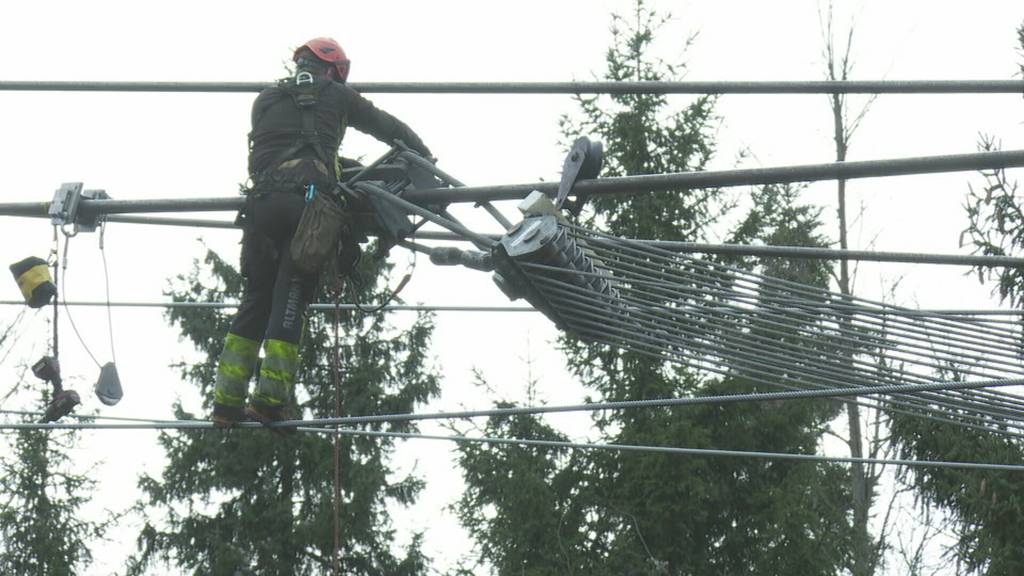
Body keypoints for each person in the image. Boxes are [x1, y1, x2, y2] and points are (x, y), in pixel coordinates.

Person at [211, 37, 432, 428]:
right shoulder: (339, 96)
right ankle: (268, 401)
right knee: (289, 299)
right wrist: (423, 156)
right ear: (333, 71)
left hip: (260, 207)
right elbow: (388, 127)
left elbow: (276, 145)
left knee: (255, 301)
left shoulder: (264, 100)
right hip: (306, 208)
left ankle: (226, 405)